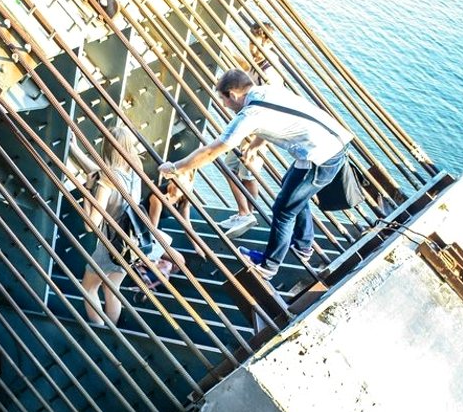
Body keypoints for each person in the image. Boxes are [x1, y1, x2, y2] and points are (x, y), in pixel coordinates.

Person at [159, 69, 352, 280]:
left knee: (283, 211)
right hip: (332, 143)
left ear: (232, 94)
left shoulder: (250, 114)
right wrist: (256, 145)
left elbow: (213, 150)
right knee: (290, 188)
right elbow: (278, 120)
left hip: (320, 156)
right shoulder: (269, 91)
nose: (225, 106)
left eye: (224, 100)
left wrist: (177, 168)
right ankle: (303, 244)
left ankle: (269, 266)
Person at [78, 126, 164, 325]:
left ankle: (99, 330)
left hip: (109, 247)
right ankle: (112, 333)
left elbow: (91, 225)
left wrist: (87, 189)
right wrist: (74, 148)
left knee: (88, 288)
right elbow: (97, 170)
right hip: (130, 242)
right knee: (112, 289)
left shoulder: (106, 182)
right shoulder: (135, 174)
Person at [219, 22, 284, 235]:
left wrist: (257, 143)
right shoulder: (258, 63)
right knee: (241, 171)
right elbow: (244, 66)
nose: (250, 46)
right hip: (249, 129)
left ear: (265, 41)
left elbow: (274, 110)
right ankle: (247, 213)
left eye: (254, 42)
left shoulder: (269, 71)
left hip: (257, 131)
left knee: (242, 171)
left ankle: (247, 214)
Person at [145, 171, 199, 261]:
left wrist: (197, 246)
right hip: (143, 232)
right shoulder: (158, 196)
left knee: (176, 263)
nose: (178, 188)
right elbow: (152, 230)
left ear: (189, 183)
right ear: (171, 180)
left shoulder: (185, 196)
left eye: (183, 184)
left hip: (157, 231)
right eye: (176, 183)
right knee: (179, 260)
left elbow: (186, 222)